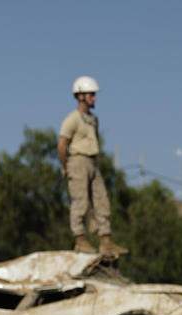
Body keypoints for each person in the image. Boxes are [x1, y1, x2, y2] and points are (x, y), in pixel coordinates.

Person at [58, 75, 123, 258]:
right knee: (81, 202)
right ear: (80, 96)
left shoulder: (93, 119)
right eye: (90, 95)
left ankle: (106, 240)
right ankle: (80, 239)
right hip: (77, 161)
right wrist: (65, 166)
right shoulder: (72, 119)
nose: (94, 98)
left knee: (102, 200)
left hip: (93, 162)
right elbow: (62, 144)